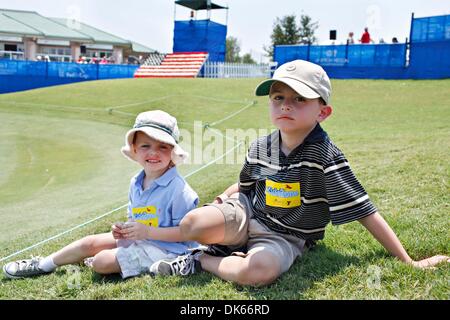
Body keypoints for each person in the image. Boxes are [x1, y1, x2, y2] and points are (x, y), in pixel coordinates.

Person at [149, 60, 450, 286]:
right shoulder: (262, 145)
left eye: (299, 99)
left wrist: (409, 261)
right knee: (192, 223)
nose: (286, 105)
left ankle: (201, 259)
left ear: (323, 112)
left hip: (285, 237)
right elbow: (245, 186)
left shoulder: (325, 156)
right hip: (247, 213)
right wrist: (220, 201)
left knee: (258, 273)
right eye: (278, 97)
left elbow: (364, 211)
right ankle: (218, 242)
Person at [3, 110, 199, 279]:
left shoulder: (178, 190)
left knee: (101, 261)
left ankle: (152, 265)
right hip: (142, 239)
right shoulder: (136, 183)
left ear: (172, 151)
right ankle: (44, 264)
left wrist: (147, 232)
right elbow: (137, 218)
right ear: (134, 150)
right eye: (146, 146)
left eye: (162, 146)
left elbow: (187, 234)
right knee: (90, 243)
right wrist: (124, 231)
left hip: (170, 251)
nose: (153, 153)